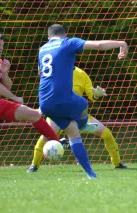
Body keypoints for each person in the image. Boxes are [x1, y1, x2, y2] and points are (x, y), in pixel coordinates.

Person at [37, 24, 128, 179]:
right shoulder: (68, 43)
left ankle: (91, 174)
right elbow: (98, 45)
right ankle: (83, 123)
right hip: (63, 97)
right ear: (65, 35)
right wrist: (122, 44)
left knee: (73, 132)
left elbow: (40, 73)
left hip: (44, 102)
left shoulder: (42, 49)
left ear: (48, 38)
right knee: (83, 104)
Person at [0, 33, 61, 182]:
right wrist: (14, 98)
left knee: (34, 115)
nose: (1, 48)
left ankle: (57, 143)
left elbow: (7, 85)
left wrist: (4, 73)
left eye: (2, 46)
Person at [27, 66, 127, 173]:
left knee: (107, 134)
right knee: (45, 137)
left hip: (78, 115)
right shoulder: (55, 71)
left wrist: (96, 95)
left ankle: (117, 164)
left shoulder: (81, 74)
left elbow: (91, 95)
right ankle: (34, 166)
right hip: (57, 114)